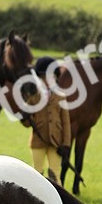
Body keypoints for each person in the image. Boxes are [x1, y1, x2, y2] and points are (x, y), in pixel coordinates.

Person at [24, 56, 72, 184]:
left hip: (57, 143)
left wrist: (66, 145)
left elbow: (66, 123)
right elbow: (27, 123)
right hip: (38, 140)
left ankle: (59, 200)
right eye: (44, 77)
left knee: (55, 173)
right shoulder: (33, 97)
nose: (47, 81)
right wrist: (25, 109)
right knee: (37, 172)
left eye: (51, 77)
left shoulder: (61, 97)